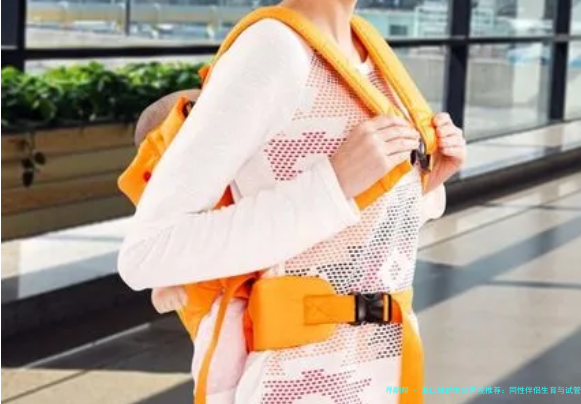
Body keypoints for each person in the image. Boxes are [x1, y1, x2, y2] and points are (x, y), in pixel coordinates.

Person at [118, 0, 466, 402]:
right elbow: (148, 251)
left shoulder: (368, 45)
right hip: (298, 382)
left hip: (383, 366)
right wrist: (333, 184)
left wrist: (423, 185)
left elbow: (342, 233)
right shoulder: (273, 48)